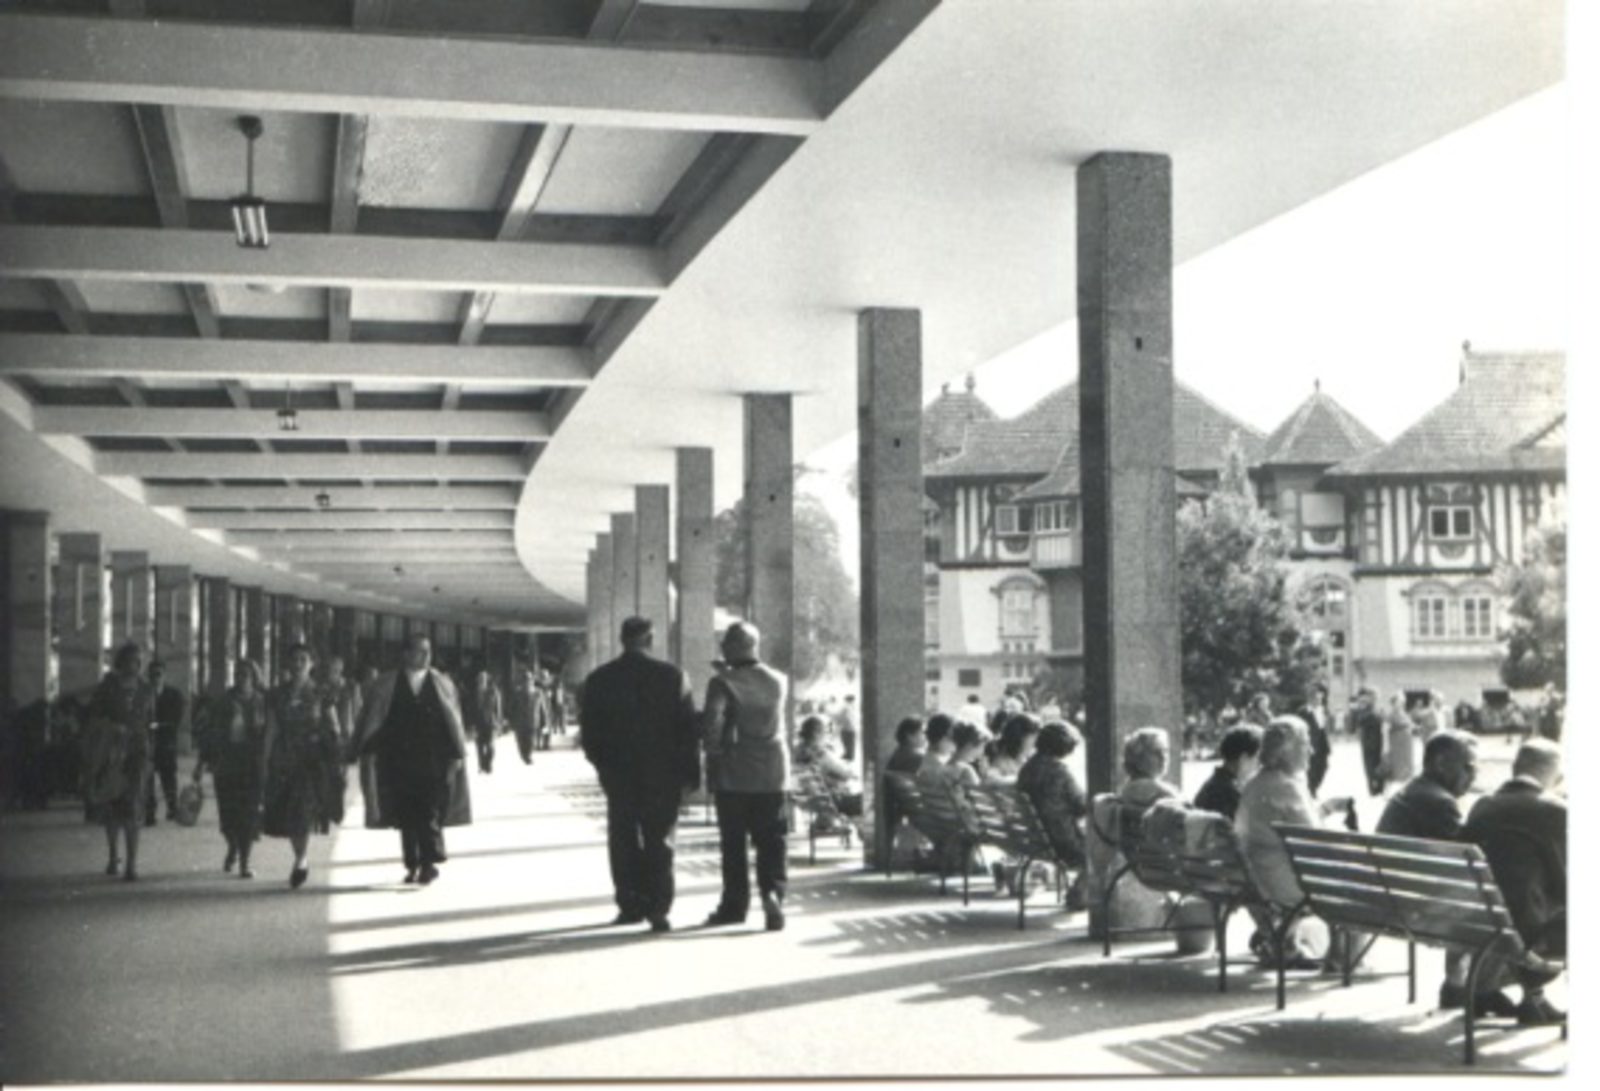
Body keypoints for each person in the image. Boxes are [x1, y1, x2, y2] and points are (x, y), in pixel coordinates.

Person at [580, 617, 699, 933]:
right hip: (663, 775)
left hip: (619, 774)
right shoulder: (673, 676)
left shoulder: (600, 679)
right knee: (660, 840)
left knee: (623, 839)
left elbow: (590, 733)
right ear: (650, 639)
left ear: (622, 640)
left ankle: (630, 904)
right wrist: (690, 774)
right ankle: (659, 907)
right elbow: (688, 731)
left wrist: (603, 767)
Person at [1376, 730, 1494, 1014]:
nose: (1473, 775)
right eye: (1467, 766)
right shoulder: (1438, 802)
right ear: (1441, 763)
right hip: (1411, 907)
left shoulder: (1412, 791)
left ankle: (1462, 984)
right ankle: (1472, 987)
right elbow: (1468, 862)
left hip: (1388, 897)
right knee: (1492, 899)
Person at [1235, 716, 1355, 967]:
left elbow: (1293, 828)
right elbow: (1317, 842)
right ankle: (1343, 958)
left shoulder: (1254, 784)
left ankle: (1286, 942)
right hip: (1288, 886)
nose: (1311, 750)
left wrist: (1326, 808)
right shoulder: (1288, 786)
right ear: (1284, 751)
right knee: (1357, 882)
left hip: (1260, 879)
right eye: (1304, 743)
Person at [353, 633, 473, 886]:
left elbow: (454, 722)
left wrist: (456, 754)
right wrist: (367, 752)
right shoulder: (385, 685)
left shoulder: (443, 684)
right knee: (406, 815)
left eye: (428, 651)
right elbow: (374, 720)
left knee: (429, 810)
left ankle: (428, 862)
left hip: (434, 760)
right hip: (399, 761)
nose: (426, 656)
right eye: (420, 650)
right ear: (406, 654)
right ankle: (412, 863)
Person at [1462, 739, 1566, 1026]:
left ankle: (1530, 1000)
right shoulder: (1554, 810)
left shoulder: (1483, 805)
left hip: (1482, 922)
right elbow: (1566, 884)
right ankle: (1534, 1000)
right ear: (1549, 771)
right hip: (1529, 933)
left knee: (1520, 901)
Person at [701, 621, 790, 931]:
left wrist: (712, 756)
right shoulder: (779, 680)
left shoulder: (721, 683)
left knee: (734, 844)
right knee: (772, 841)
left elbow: (712, 724)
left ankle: (734, 906)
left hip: (734, 773)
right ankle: (773, 895)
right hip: (773, 772)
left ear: (735, 647)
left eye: (726, 642)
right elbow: (752, 686)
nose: (722, 647)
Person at [262, 644, 345, 889]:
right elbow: (271, 729)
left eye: (303, 659)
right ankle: (301, 856)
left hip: (312, 760)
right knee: (289, 813)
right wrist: (264, 760)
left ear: (311, 664)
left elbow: (334, 726)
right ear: (288, 664)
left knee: (303, 810)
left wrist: (337, 756)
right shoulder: (277, 694)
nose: (298, 664)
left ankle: (300, 860)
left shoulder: (321, 692)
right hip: (285, 759)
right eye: (294, 659)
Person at [81, 643, 154, 880]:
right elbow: (92, 718)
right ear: (121, 662)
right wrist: (112, 727)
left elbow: (150, 721)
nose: (136, 665)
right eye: (131, 660)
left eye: (139, 660)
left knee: (133, 807)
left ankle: (131, 864)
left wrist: (148, 746)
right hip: (111, 753)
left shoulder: (146, 689)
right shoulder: (107, 688)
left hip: (137, 753)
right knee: (112, 806)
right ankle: (113, 855)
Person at [196, 657, 268, 879]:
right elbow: (210, 734)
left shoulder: (262, 702)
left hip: (252, 764)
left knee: (249, 814)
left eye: (246, 674)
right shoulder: (223, 702)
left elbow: (270, 733)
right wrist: (201, 763)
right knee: (228, 817)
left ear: (254, 678)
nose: (241, 678)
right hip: (227, 764)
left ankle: (245, 862)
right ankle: (233, 846)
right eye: (238, 674)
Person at [1016, 719, 1088, 867]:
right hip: (1063, 843)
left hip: (1036, 839)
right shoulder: (1058, 771)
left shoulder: (1027, 768)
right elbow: (1082, 805)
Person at [144, 659, 187, 826]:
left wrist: (156, 725)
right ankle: (149, 812)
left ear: (164, 675)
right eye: (152, 675)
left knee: (168, 777)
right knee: (147, 778)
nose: (156, 678)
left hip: (166, 743)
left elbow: (175, 720)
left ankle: (172, 807)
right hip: (147, 743)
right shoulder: (144, 695)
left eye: (159, 674)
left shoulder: (174, 695)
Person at [1191, 723, 1263, 821]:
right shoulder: (1229, 795)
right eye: (1258, 760)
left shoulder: (1215, 784)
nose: (1260, 767)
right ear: (1244, 759)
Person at [795, 714, 863, 816]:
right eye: (826, 731)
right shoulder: (821, 754)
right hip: (834, 804)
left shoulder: (798, 751)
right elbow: (849, 774)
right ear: (817, 734)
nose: (829, 735)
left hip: (812, 803)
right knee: (874, 797)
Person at [462, 664, 503, 775]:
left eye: (484, 679)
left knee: (491, 747)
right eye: (480, 679)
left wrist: (499, 722)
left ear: (487, 680)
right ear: (477, 681)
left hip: (491, 723)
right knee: (479, 746)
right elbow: (469, 710)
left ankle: (487, 764)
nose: (482, 681)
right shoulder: (472, 694)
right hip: (478, 724)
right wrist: (470, 725)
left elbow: (498, 708)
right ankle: (481, 766)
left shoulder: (493, 692)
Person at [1295, 684, 1333, 796]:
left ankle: (1314, 787)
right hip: (1310, 743)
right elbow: (1299, 728)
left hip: (1323, 743)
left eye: (1321, 698)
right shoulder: (1303, 711)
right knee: (1311, 768)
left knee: (1324, 766)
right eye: (1317, 698)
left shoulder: (1323, 710)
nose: (1320, 700)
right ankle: (1311, 790)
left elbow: (1325, 728)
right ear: (1310, 698)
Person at [1348, 687, 1386, 796]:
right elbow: (1352, 727)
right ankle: (1373, 790)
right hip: (1368, 744)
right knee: (1370, 767)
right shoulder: (1363, 710)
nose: (1374, 698)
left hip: (1380, 743)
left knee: (1380, 766)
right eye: (1372, 696)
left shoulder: (1379, 710)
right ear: (1368, 698)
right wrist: (1354, 709)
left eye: (1376, 696)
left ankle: (1380, 787)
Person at [985, 712, 1041, 784]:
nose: (1033, 744)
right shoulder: (999, 760)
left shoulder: (1026, 757)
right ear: (1019, 739)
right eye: (1031, 739)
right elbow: (991, 780)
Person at [321, 655, 363, 750]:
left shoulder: (352, 687)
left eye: (329, 670)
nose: (325, 674)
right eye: (324, 669)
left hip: (348, 735)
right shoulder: (323, 689)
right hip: (327, 738)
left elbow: (357, 711)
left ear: (339, 671)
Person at [507, 662, 544, 765]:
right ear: (522, 682)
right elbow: (511, 708)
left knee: (531, 740)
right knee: (521, 741)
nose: (527, 682)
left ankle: (528, 755)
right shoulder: (517, 693)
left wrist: (544, 721)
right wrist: (510, 720)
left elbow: (542, 708)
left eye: (529, 680)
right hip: (520, 722)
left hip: (533, 720)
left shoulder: (538, 693)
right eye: (525, 680)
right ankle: (524, 754)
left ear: (532, 681)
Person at [1382, 691, 1419, 785]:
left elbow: (1410, 724)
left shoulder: (1404, 713)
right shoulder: (1390, 714)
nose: (1402, 703)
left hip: (1407, 744)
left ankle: (1406, 781)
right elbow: (1385, 730)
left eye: (1403, 701)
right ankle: (1396, 783)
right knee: (1398, 764)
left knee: (1407, 763)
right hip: (1397, 744)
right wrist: (1386, 746)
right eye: (1400, 701)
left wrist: (1415, 727)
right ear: (1394, 702)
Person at [834, 694, 859, 764]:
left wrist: (839, 722)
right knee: (848, 742)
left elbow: (841, 716)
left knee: (848, 742)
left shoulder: (846, 707)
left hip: (848, 727)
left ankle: (849, 756)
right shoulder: (849, 707)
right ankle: (848, 754)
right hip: (849, 727)